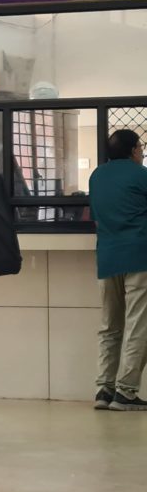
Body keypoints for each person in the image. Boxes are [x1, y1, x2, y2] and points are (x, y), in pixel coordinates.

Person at [89, 129, 147, 410]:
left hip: (108, 258)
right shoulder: (142, 175)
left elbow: (97, 218)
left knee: (110, 326)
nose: (142, 152)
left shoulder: (96, 176)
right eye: (141, 147)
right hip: (139, 256)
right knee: (138, 324)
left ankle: (104, 389)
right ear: (133, 150)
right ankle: (126, 392)